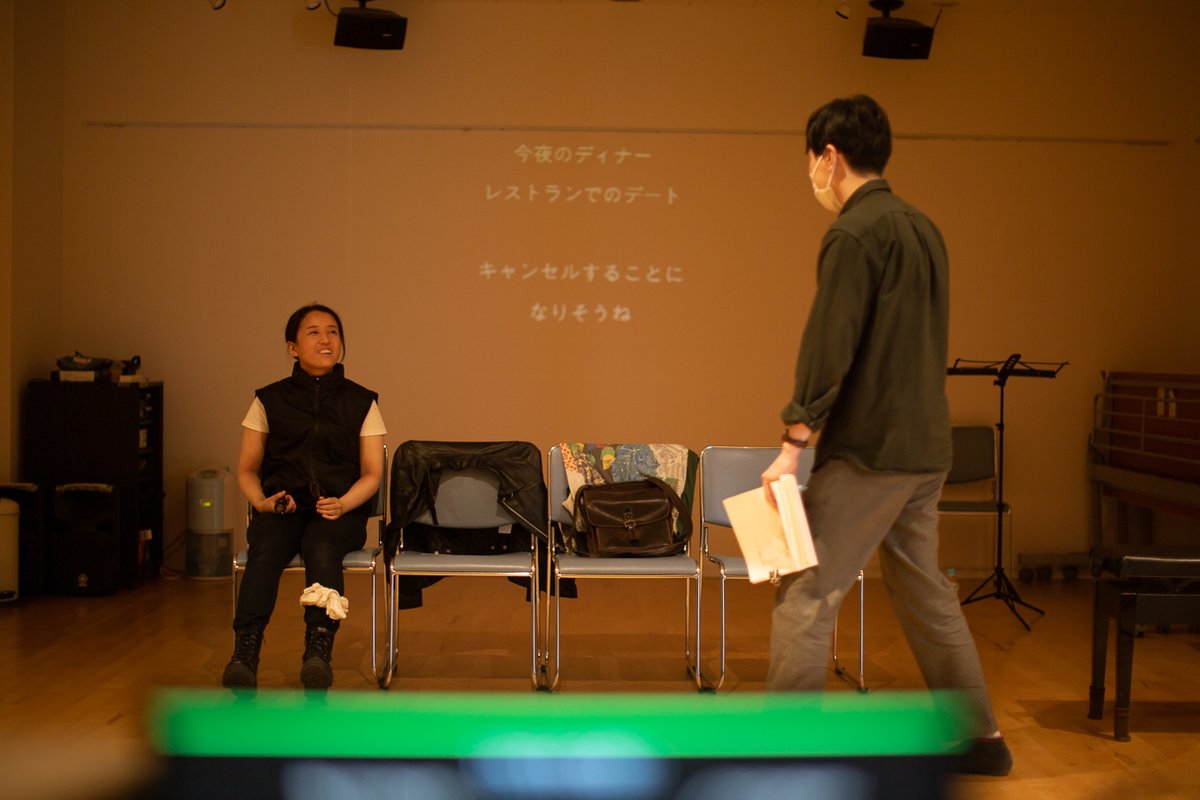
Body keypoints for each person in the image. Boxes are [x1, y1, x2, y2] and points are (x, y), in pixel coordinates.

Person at [759, 95, 1012, 776]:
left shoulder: (854, 232)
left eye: (810, 160)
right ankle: (982, 738)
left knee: (805, 593)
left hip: (872, 451)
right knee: (924, 593)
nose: (811, 174)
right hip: (926, 449)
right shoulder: (923, 228)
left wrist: (792, 444)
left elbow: (830, 343)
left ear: (829, 156)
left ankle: (783, 757)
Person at [222, 303, 386, 690]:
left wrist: (344, 503)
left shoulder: (361, 401)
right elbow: (247, 469)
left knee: (321, 545)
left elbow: (372, 473)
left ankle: (318, 648)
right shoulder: (268, 399)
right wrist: (263, 502)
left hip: (339, 513)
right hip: (283, 508)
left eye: (333, 331)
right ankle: (245, 650)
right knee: (266, 547)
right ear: (293, 348)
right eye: (313, 332)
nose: (325, 339)